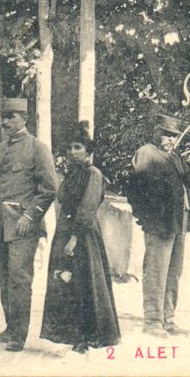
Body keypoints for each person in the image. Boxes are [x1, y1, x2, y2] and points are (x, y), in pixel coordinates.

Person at [40, 121, 120, 353]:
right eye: (70, 148)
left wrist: (74, 238)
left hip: (83, 235)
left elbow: (87, 207)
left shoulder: (93, 174)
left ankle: (88, 336)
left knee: (84, 283)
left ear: (88, 151)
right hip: (66, 231)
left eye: (78, 147)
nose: (73, 152)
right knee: (66, 283)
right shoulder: (73, 173)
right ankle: (72, 334)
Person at [0, 97, 57, 352]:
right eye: (4, 117)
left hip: (23, 226)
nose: (6, 122)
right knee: (3, 280)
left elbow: (49, 188)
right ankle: (9, 329)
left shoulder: (38, 148)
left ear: (25, 118)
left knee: (19, 280)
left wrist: (30, 217)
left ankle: (19, 335)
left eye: (12, 116)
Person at [127, 114, 190, 337]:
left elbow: (185, 180)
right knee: (156, 271)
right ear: (156, 132)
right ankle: (152, 321)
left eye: (174, 136)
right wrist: (146, 218)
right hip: (159, 223)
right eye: (166, 134)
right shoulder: (146, 153)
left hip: (180, 221)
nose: (170, 139)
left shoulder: (175, 156)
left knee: (173, 272)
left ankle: (168, 320)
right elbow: (135, 189)